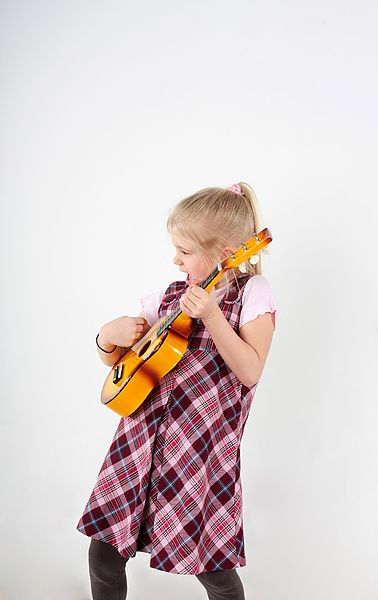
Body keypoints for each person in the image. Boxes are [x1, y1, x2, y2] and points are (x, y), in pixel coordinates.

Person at [76, 182, 279, 600]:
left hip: (199, 452)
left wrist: (212, 317)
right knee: (104, 553)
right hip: (138, 443)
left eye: (184, 251)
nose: (175, 259)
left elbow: (250, 370)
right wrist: (105, 338)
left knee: (213, 566)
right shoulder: (167, 299)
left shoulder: (252, 296)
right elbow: (127, 370)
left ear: (225, 252)